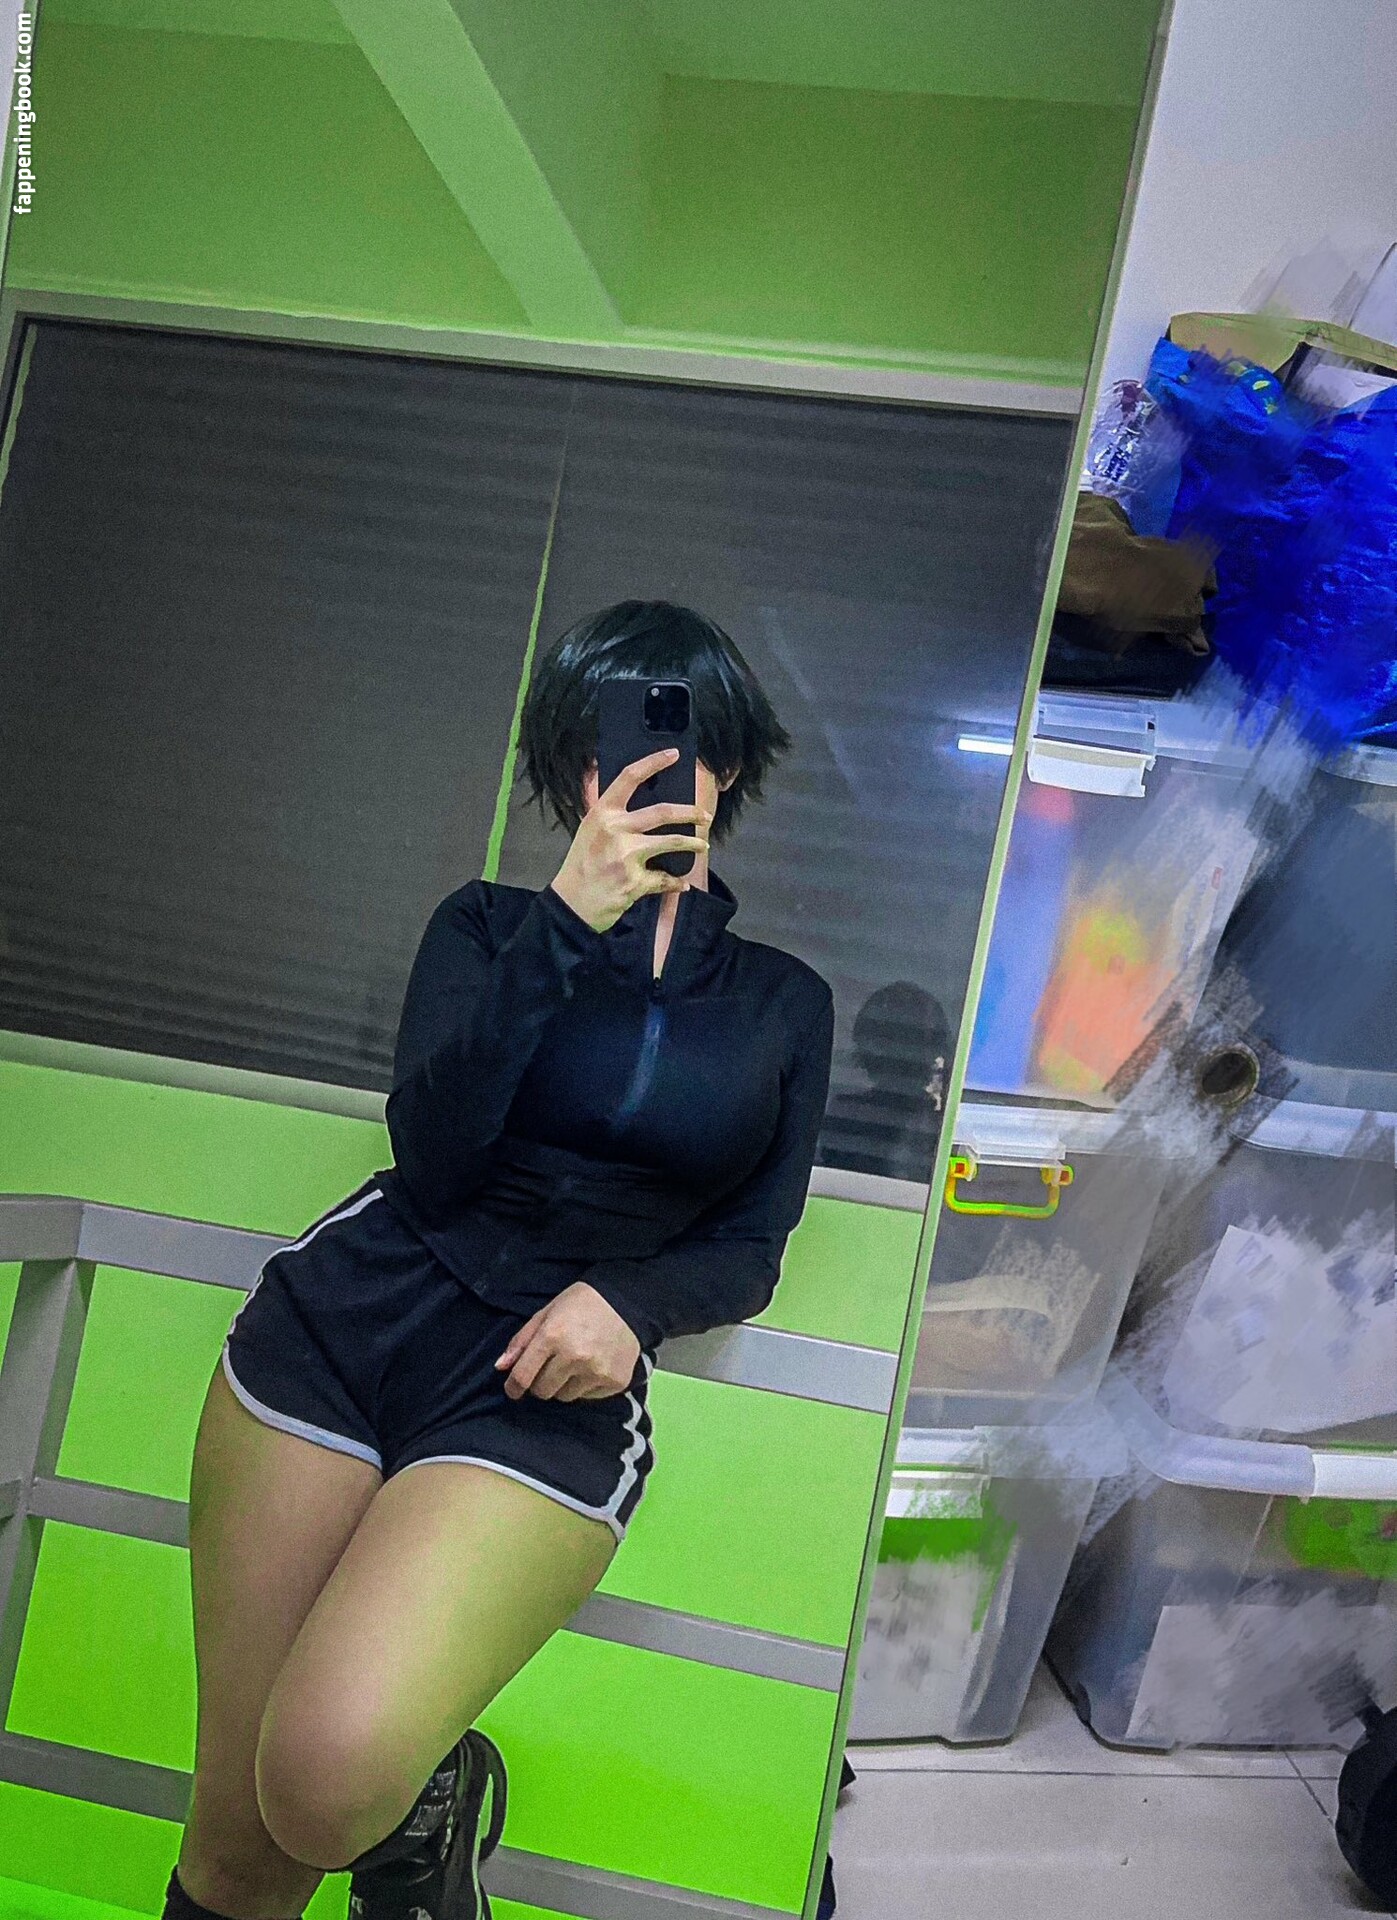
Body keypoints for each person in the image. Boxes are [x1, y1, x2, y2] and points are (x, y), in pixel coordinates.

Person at [164, 601, 837, 1920]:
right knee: (240, 1847)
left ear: (731, 767)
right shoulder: (484, 928)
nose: (643, 772)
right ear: (568, 772)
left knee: (324, 1783)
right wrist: (566, 926)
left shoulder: (783, 1003)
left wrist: (633, 1302)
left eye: (683, 739)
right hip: (339, 1331)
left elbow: (751, 1247)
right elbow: (434, 1156)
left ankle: (432, 1793)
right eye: (608, 743)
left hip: (544, 1390)